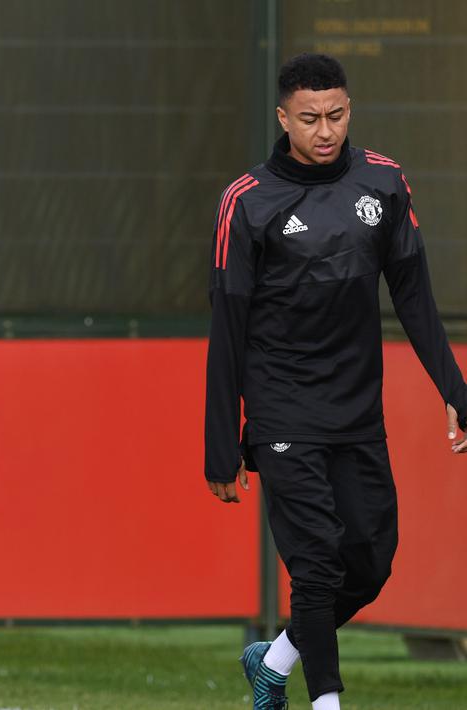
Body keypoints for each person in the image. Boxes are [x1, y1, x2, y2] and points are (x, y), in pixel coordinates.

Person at [204, 53, 467, 710]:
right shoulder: (246, 201)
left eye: (336, 115)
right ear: (282, 118)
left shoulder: (382, 183)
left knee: (371, 562)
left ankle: (276, 660)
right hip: (281, 408)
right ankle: (325, 701)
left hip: (355, 411)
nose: (325, 130)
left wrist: (455, 393)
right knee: (315, 562)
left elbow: (413, 299)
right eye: (310, 118)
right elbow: (227, 328)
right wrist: (219, 442)